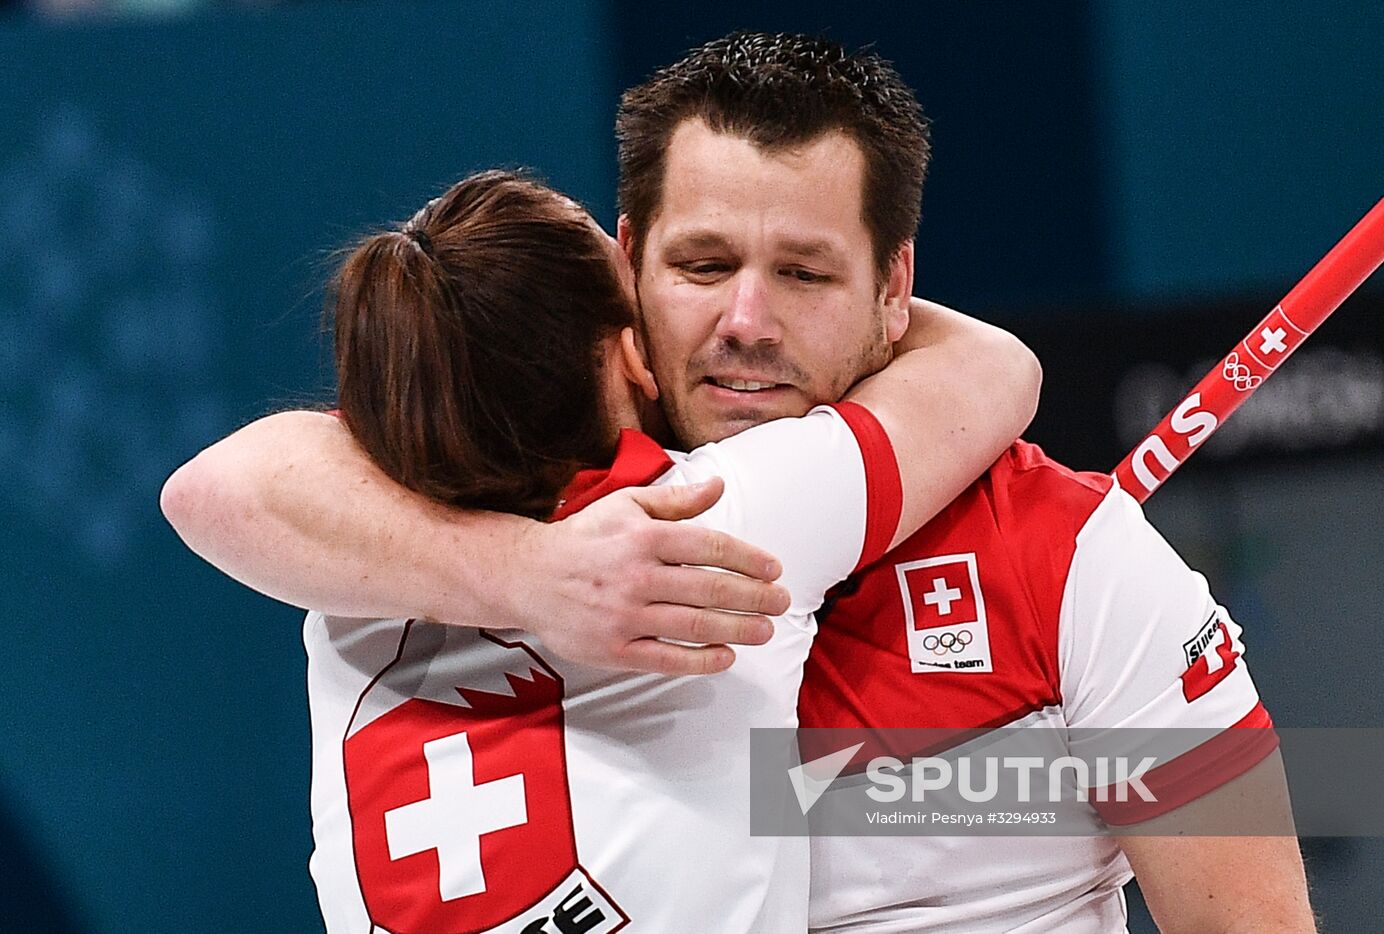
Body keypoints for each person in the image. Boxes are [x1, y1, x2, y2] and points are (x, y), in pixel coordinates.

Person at [162, 31, 1314, 934]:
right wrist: (528, 574)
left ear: (893, 282)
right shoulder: (457, 497)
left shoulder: (1069, 557)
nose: (744, 323)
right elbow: (229, 483)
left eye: (804, 273)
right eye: (701, 266)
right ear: (626, 272)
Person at [180, 163, 1036, 934]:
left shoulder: (350, 572)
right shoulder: (721, 516)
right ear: (631, 350)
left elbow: (207, 489)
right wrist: (534, 576)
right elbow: (993, 370)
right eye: (662, 285)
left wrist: (515, 575)